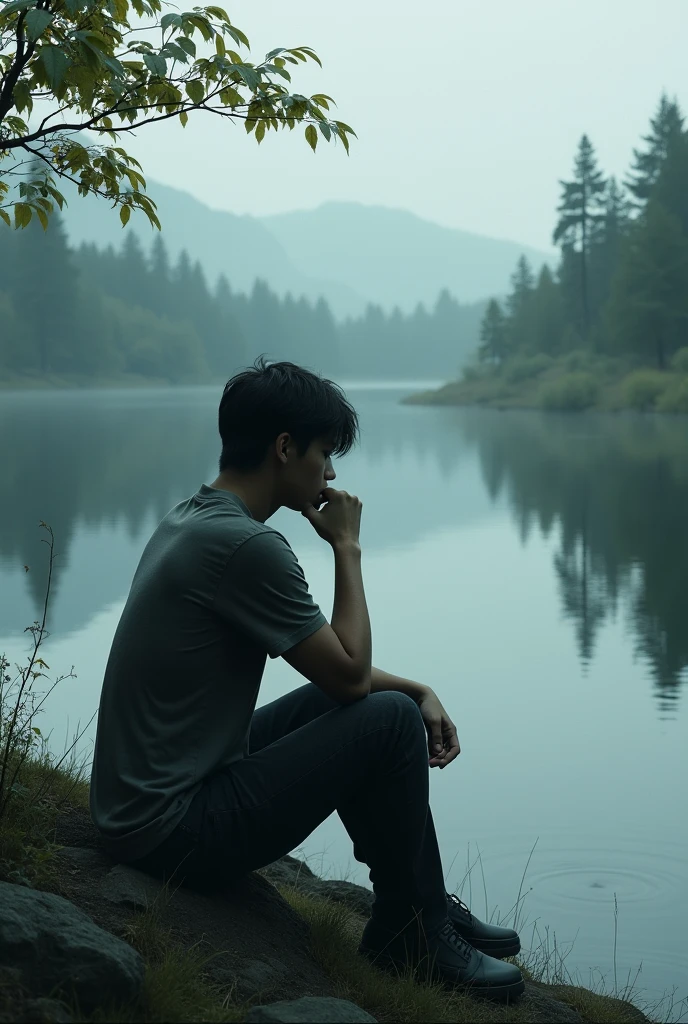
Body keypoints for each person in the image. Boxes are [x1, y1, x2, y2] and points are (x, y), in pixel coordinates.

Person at [89, 358, 525, 1003]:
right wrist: (347, 549)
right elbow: (350, 677)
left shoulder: (194, 517)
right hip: (173, 831)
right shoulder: (247, 548)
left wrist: (414, 686)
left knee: (387, 705)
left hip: (141, 807)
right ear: (285, 447)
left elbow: (331, 670)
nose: (332, 472)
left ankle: (421, 906)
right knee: (384, 720)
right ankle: (412, 933)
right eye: (324, 452)